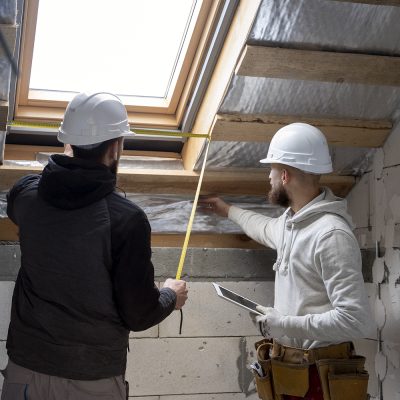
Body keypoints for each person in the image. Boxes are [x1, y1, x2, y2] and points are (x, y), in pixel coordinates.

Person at [1, 92, 188, 400]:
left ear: (66, 142)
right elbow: (139, 315)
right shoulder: (127, 220)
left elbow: (25, 197)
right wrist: (170, 295)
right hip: (91, 380)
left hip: (25, 371)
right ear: (115, 147)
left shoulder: (26, 197)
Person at [201, 123, 372, 400]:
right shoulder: (292, 223)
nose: (268, 177)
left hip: (319, 376)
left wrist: (285, 324)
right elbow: (264, 228)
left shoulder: (330, 234)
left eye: (271, 170)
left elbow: (356, 320)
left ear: (284, 175)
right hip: (293, 371)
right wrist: (227, 210)